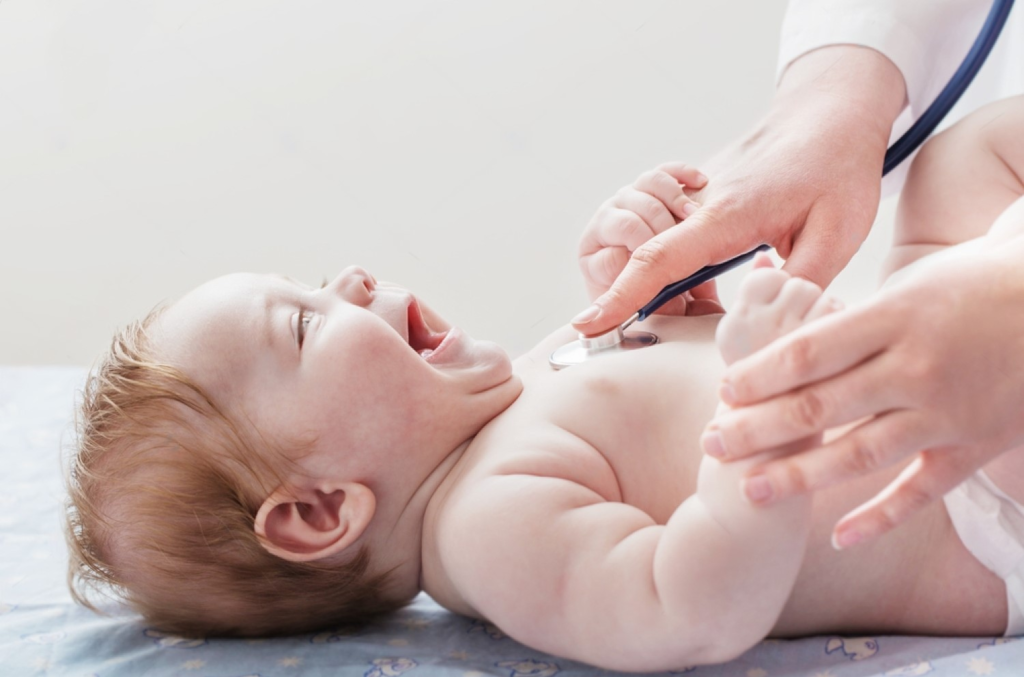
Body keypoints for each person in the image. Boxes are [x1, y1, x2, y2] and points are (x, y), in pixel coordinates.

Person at [65, 98, 1024, 671]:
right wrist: (751, 429)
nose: (349, 278)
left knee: (964, 159)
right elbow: (688, 610)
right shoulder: (490, 526)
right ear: (320, 510)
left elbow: (657, 385)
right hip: (970, 500)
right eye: (306, 322)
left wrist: (672, 298)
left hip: (936, 370)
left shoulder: (511, 398)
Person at [571, 0, 1024, 549]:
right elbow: (682, 614)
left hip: (963, 439)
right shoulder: (482, 518)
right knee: (963, 163)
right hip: (971, 484)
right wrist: (829, 103)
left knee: (963, 163)